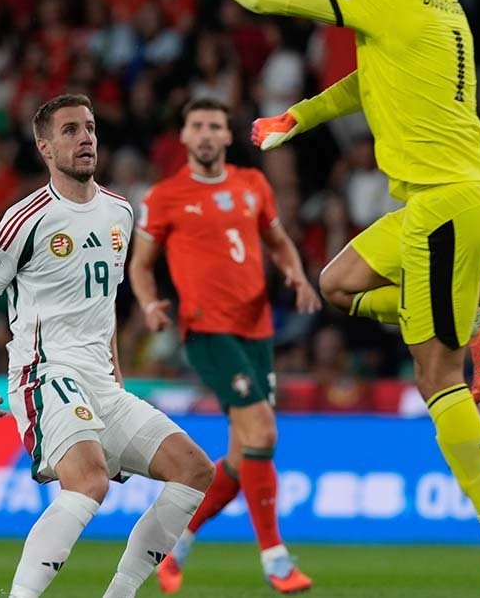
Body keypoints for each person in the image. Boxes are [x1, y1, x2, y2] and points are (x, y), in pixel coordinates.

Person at [206, 0, 480, 594]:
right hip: (443, 203)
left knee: (436, 376)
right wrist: (298, 117)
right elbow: (369, 82)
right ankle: (478, 322)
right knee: (337, 283)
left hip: (446, 205)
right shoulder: (441, 2)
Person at [0, 94, 213, 598]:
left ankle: (120, 594)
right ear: (45, 148)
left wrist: (114, 372)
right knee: (89, 481)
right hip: (44, 373)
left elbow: (105, 302)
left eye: (90, 127)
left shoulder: (119, 211)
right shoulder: (26, 219)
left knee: (194, 470)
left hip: (101, 383)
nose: (85, 138)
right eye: (70, 130)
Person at [129, 99, 321, 593]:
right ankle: (276, 559)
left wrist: (296, 274)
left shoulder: (252, 184)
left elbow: (278, 241)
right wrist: (149, 304)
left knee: (242, 456)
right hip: (206, 329)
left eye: (215, 125)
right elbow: (141, 264)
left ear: (228, 136)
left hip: (257, 330)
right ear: (184, 137)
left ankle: (173, 547)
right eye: (197, 125)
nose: (206, 133)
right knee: (263, 430)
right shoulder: (166, 196)